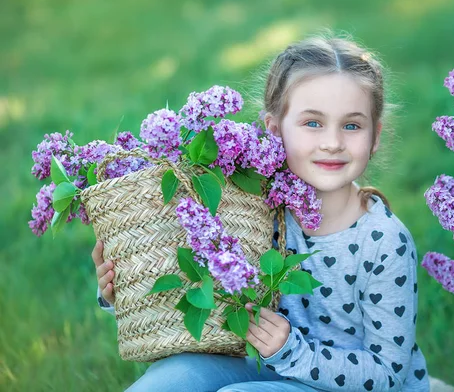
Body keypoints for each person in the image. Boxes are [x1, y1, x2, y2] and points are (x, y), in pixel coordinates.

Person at [93, 33, 430, 392]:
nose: (332, 142)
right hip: (271, 367)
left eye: (351, 125)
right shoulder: (253, 205)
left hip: (352, 385)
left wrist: (292, 352)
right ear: (274, 130)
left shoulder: (383, 240)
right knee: (169, 382)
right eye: (312, 123)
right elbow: (207, 298)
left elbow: (388, 373)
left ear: (374, 136)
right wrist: (127, 291)